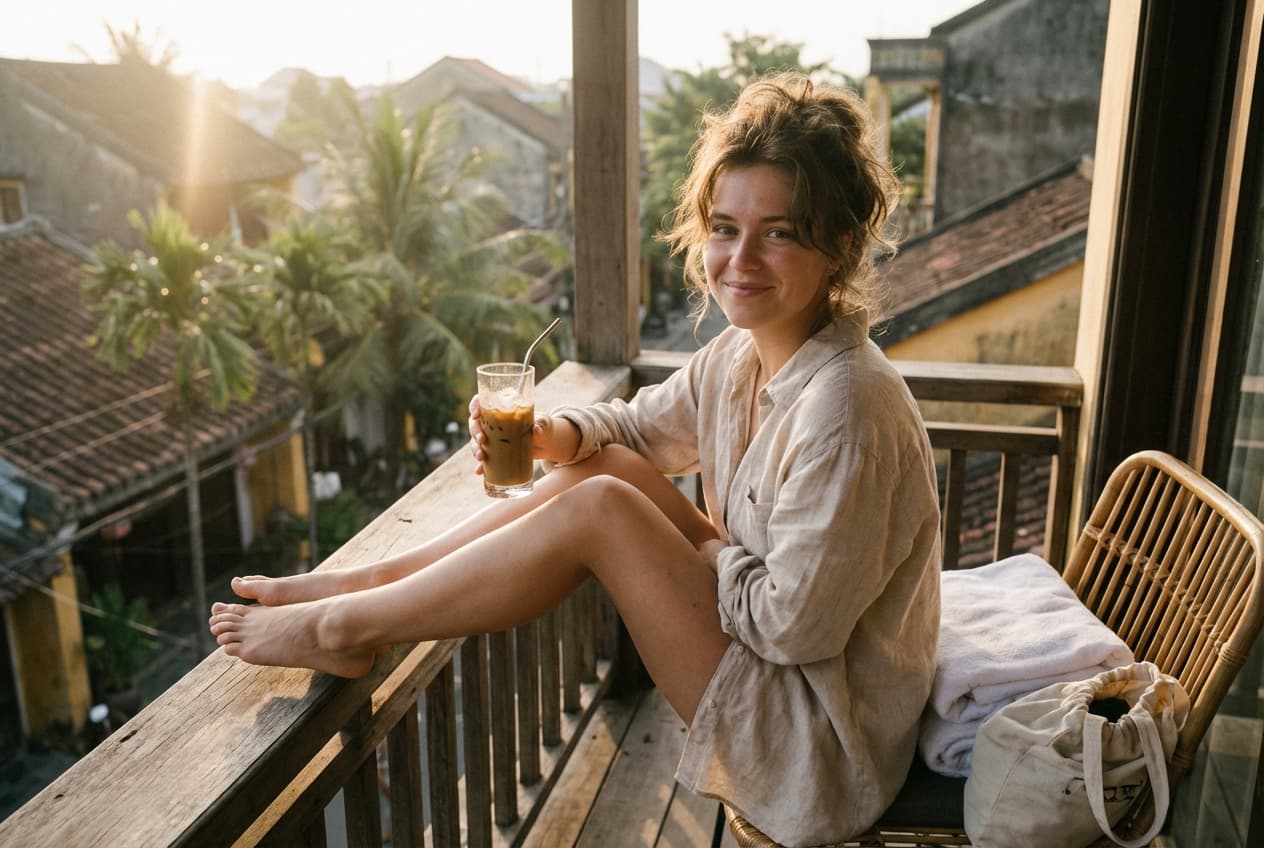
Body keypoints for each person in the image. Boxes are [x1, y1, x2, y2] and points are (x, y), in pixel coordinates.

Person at [209, 71, 941, 846]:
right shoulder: (739, 357)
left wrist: (704, 547)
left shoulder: (846, 411)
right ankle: (364, 584)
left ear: (841, 245)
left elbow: (794, 631)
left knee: (603, 507)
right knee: (609, 473)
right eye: (725, 227)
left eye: (781, 232)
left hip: (817, 744)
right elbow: (634, 431)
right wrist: (555, 435)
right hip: (776, 664)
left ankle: (344, 627)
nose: (741, 258)